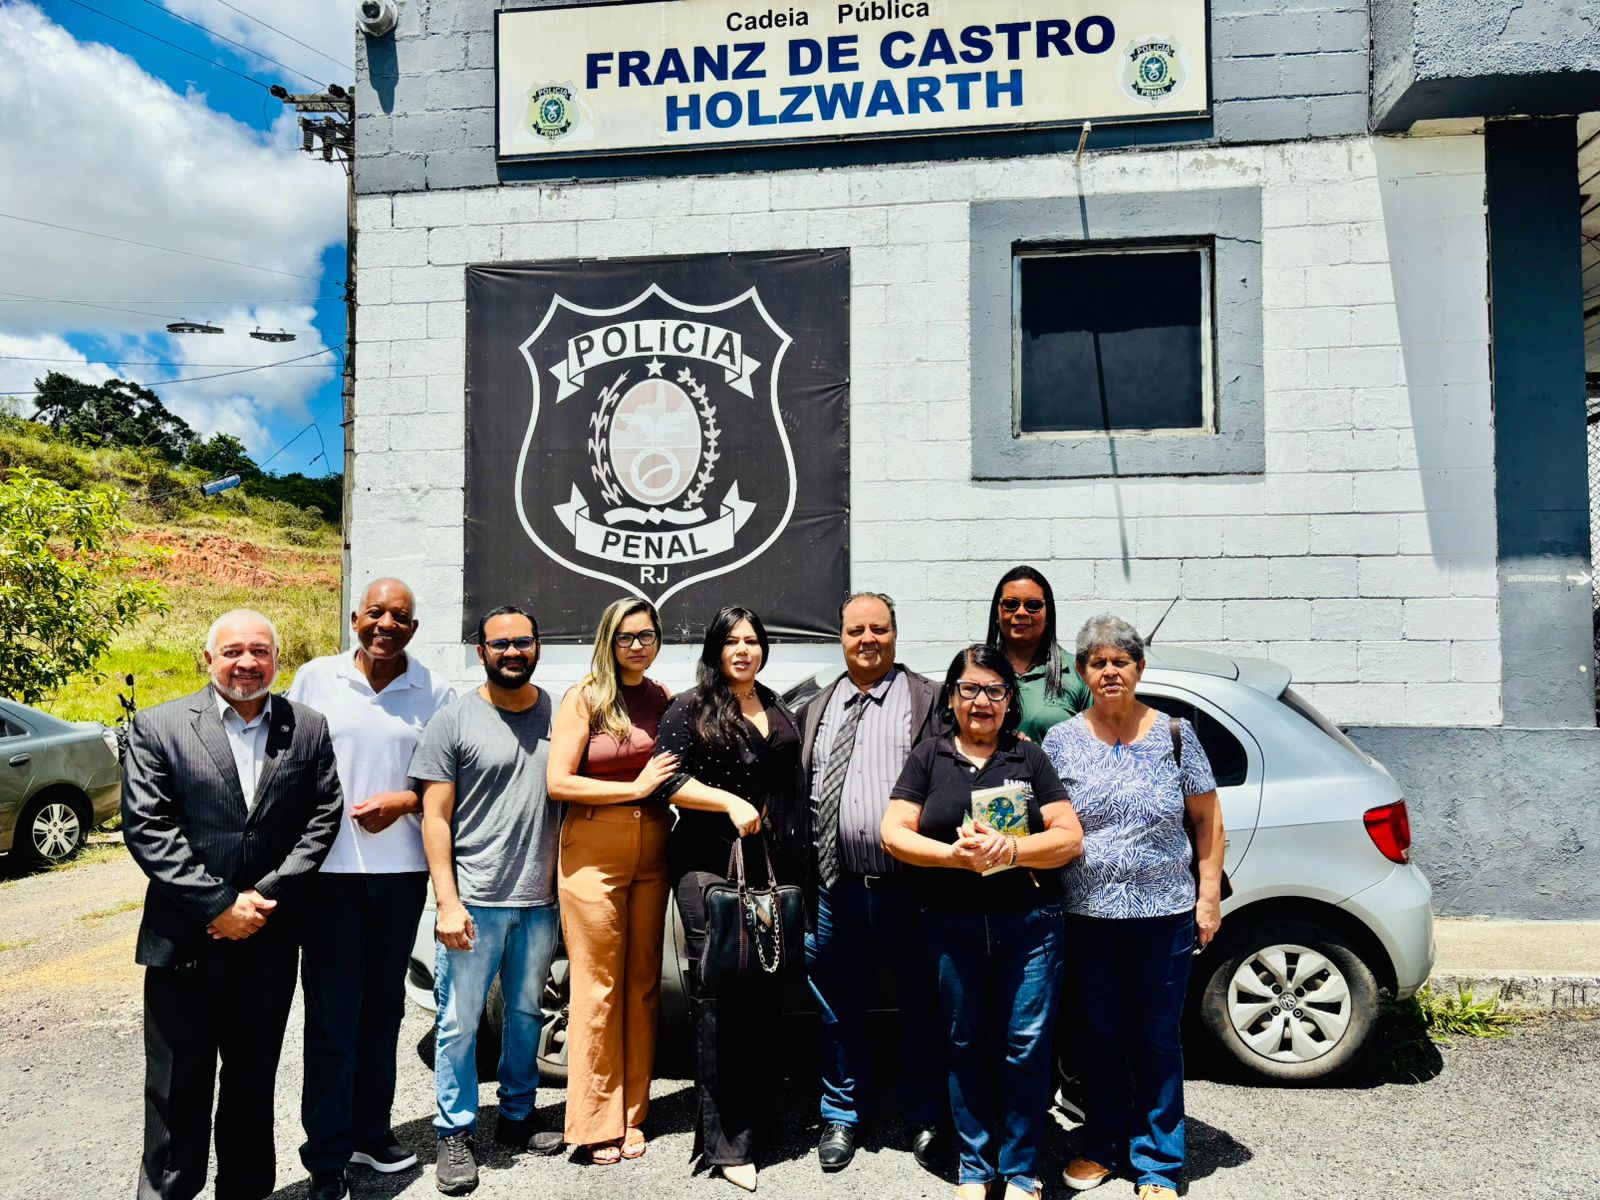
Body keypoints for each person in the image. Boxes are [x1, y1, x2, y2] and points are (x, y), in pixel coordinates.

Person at [122, 609, 343, 1200]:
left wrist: (262, 899)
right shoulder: (160, 726)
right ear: (208, 659)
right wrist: (218, 904)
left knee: (252, 1083)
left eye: (260, 651)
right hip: (184, 942)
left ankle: (246, 1190)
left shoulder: (307, 727)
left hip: (267, 941)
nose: (247, 663)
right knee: (175, 1089)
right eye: (233, 651)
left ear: (277, 659)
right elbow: (148, 827)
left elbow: (323, 819)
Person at [881, 645, 1084, 1200]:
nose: (982, 701)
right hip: (952, 924)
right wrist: (953, 857)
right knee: (964, 1042)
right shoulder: (929, 756)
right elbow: (894, 832)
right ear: (951, 696)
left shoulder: (1029, 757)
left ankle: (1020, 1170)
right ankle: (975, 1167)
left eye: (995, 690)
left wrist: (1011, 851)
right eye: (970, 689)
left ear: (1009, 700)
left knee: (1025, 1046)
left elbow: (1069, 837)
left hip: (1030, 927)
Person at [1042, 615, 1225, 1200]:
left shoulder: (1175, 734)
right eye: (1098, 662)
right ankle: (1103, 1145)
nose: (1110, 671)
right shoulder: (1061, 740)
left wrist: (1208, 898)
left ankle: (1159, 1162)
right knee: (1098, 1035)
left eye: (1121, 661)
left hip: (1163, 915)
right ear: (1082, 672)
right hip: (1087, 915)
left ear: (1139, 668)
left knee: (1156, 1037)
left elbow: (1208, 821)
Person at [288, 578, 456, 1200]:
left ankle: (371, 1132)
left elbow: (446, 778)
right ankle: (327, 1155)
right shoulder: (316, 679)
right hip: (327, 875)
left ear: (414, 628)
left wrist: (404, 801)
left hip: (402, 873)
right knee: (333, 1016)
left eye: (400, 617)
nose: (387, 625)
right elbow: (288, 764)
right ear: (356, 617)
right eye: (376, 613)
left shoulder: (434, 690)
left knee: (383, 1010)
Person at [410, 605, 565, 1196]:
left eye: (522, 642)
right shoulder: (454, 720)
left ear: (537, 647)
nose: (512, 652)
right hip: (475, 900)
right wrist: (447, 902)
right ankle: (455, 1131)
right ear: (481, 651)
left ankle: (518, 1115)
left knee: (526, 1015)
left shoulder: (560, 714)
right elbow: (435, 818)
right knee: (458, 1023)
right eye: (500, 644)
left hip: (540, 901)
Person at [651, 606, 804, 1193]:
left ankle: (759, 1119)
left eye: (753, 640)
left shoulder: (775, 704)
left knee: (764, 991)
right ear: (715, 649)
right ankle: (727, 1143)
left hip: (766, 864)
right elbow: (667, 780)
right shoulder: (689, 707)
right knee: (720, 997)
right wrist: (729, 802)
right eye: (732, 641)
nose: (743, 650)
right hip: (707, 865)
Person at [798, 592, 945, 1174]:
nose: (868, 639)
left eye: (878, 629)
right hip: (835, 888)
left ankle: (925, 1114)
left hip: (910, 889)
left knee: (922, 1004)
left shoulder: (927, 699)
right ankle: (842, 1114)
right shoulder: (818, 705)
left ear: (895, 633)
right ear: (840, 637)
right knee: (837, 1006)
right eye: (856, 629)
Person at [546, 598, 677, 1164]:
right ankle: (595, 1122)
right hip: (594, 848)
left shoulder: (662, 696)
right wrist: (634, 787)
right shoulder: (585, 697)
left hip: (654, 847)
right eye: (626, 637)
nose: (637, 646)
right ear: (608, 641)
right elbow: (558, 782)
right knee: (597, 986)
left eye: (646, 636)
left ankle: (632, 1115)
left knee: (643, 984)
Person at [986, 565, 1091, 742]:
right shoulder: (976, 671)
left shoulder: (1079, 673)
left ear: (1048, 614)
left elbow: (1101, 745)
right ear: (997, 613)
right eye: (1010, 605)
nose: (1021, 612)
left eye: (1033, 605)